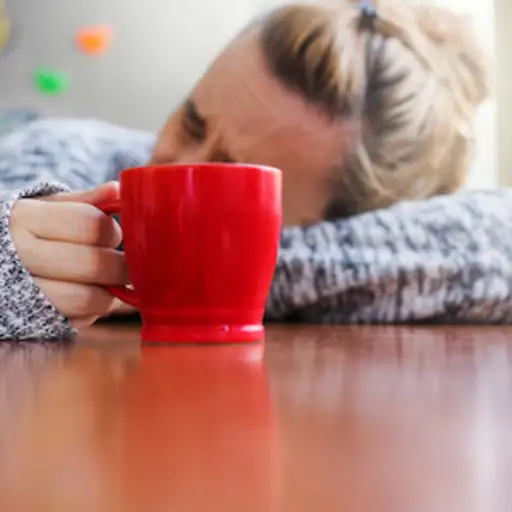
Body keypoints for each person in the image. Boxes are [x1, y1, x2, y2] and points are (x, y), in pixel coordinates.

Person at [0, 0, 501, 340]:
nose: (183, 166)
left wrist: (234, 280)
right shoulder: (71, 154)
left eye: (230, 177)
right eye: (192, 120)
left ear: (355, 227)